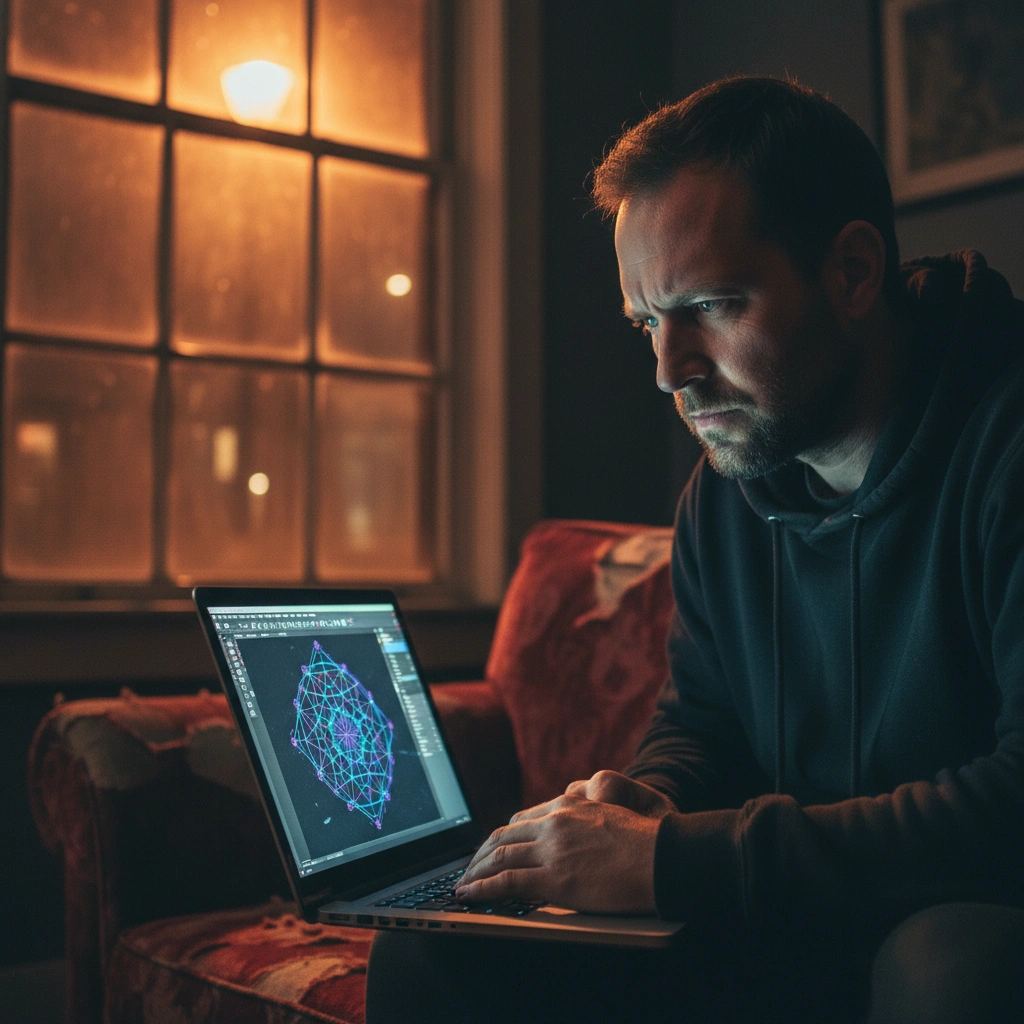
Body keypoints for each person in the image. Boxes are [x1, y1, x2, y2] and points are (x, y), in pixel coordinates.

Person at [365, 76, 1024, 1023]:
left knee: (949, 969)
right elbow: (704, 724)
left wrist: (674, 862)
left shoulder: (1005, 446)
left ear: (851, 273)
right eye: (647, 322)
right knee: (437, 961)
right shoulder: (723, 495)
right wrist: (638, 806)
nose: (670, 370)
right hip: (800, 914)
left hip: (958, 921)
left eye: (712, 305)